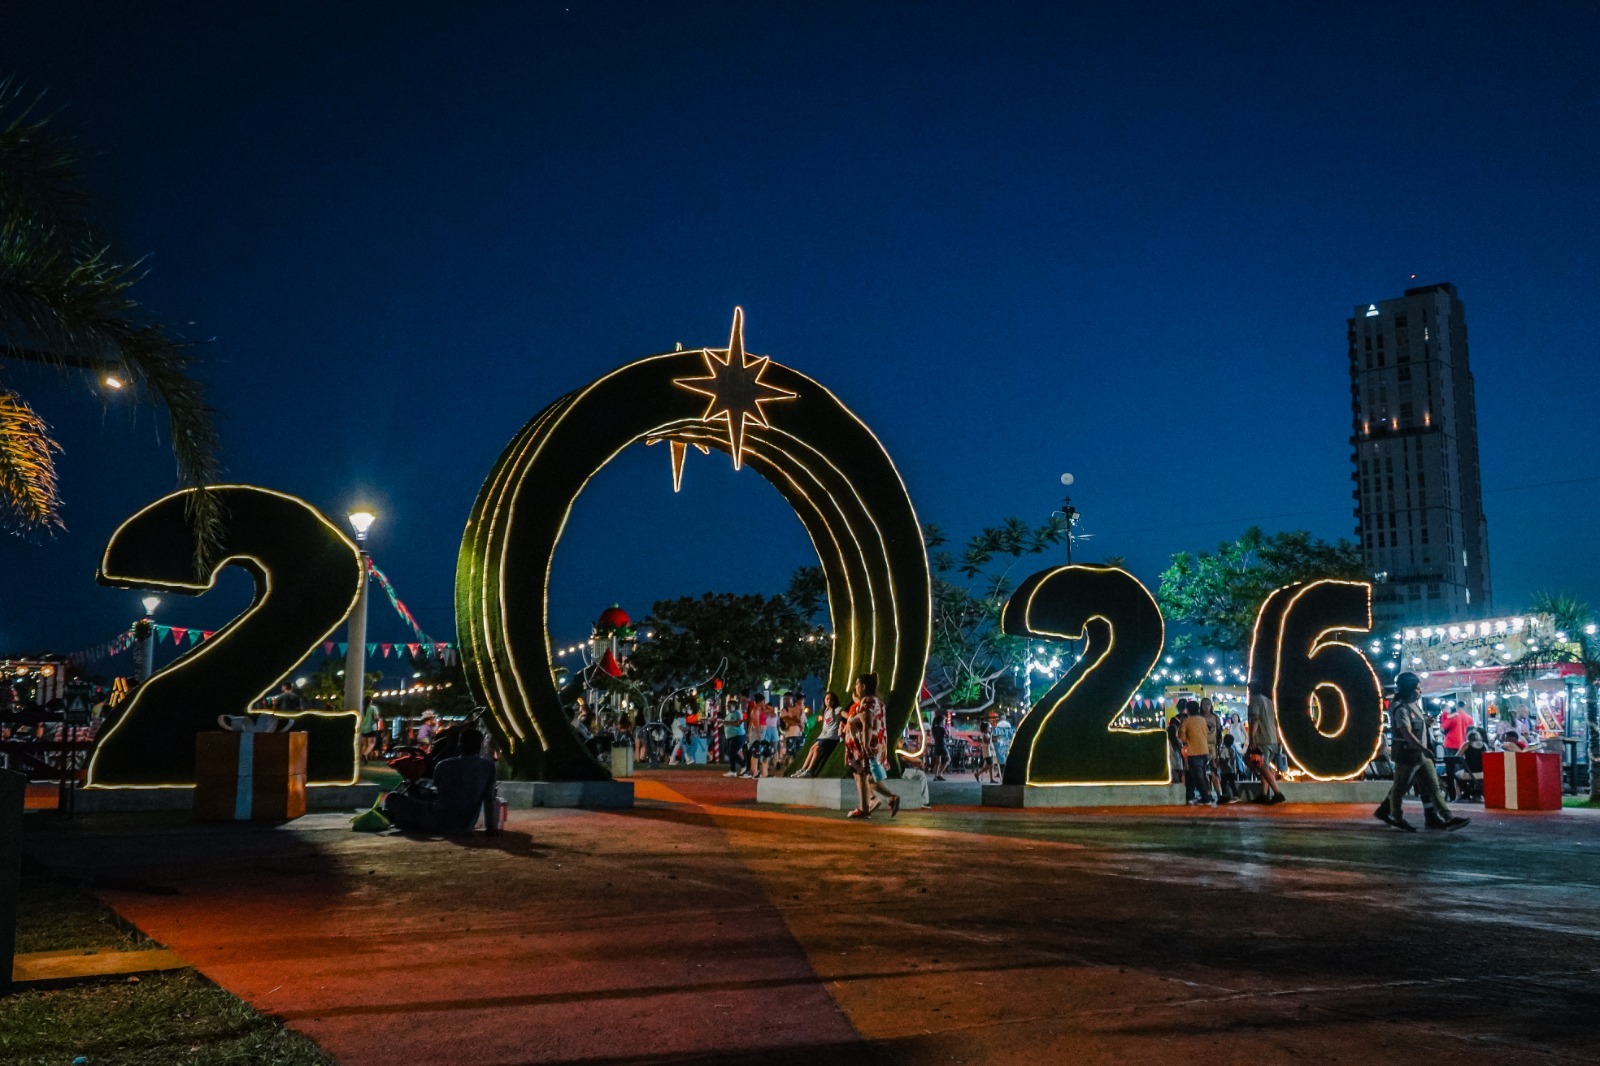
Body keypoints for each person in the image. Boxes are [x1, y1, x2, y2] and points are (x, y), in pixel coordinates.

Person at [1379, 672, 1468, 832]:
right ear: (1409, 689)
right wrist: (1424, 748)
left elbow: (1413, 727)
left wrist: (1425, 724)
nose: (1420, 691)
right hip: (1408, 755)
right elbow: (1405, 732)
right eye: (1418, 688)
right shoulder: (1400, 708)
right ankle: (1397, 817)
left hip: (1421, 755)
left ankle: (1448, 818)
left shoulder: (1414, 705)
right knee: (1400, 787)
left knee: (1433, 786)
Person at [382, 727, 497, 834]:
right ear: (480, 745)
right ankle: (406, 822)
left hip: (437, 819)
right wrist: (491, 828)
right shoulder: (489, 767)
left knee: (393, 797)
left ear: (459, 744)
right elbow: (488, 799)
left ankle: (404, 821)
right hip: (465, 825)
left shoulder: (443, 765)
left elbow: (436, 793)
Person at [844, 673, 898, 818]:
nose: (855, 687)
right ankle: (882, 800)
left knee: (861, 773)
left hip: (865, 744)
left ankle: (864, 808)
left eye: (857, 685)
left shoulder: (868, 701)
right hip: (877, 743)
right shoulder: (878, 701)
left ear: (863, 686)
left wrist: (865, 744)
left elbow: (867, 721)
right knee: (869, 777)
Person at [1247, 681, 1286, 804]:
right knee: (1265, 767)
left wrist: (1252, 738)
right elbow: (1275, 721)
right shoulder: (1268, 701)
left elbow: (1255, 719)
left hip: (1262, 739)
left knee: (1262, 766)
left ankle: (1278, 793)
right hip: (1272, 738)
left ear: (1251, 690)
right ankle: (1263, 795)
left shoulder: (1255, 700)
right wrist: (1278, 738)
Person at [790, 691, 843, 777]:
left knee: (817, 749)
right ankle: (803, 769)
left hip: (830, 737)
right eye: (827, 699)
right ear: (824, 700)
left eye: (831, 699)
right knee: (812, 749)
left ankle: (810, 770)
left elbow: (845, 715)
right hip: (823, 736)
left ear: (834, 701)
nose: (829, 701)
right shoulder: (826, 710)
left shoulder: (837, 710)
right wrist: (819, 718)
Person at [1179, 703, 1215, 805]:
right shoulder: (1202, 720)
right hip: (1204, 750)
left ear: (1188, 710)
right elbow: (1207, 732)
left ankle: (1206, 798)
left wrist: (1186, 740)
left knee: (1198, 776)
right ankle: (1189, 795)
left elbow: (1181, 735)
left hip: (1193, 751)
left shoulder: (1187, 721)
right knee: (1196, 775)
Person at [1438, 701, 1473, 798]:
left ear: (1457, 706)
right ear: (1465, 706)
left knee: (1451, 770)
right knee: (1462, 768)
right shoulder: (1469, 718)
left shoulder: (1453, 716)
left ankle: (1454, 793)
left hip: (1451, 744)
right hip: (1464, 745)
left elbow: (1442, 728)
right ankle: (1463, 790)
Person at [1455, 728, 1487, 801]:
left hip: (1469, 774)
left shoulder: (1466, 745)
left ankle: (1461, 793)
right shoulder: (1484, 745)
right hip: (1483, 773)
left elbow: (1456, 757)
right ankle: (1477, 793)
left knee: (1456, 775)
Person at [721, 696, 748, 777]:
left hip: (738, 736)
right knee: (728, 752)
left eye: (730, 706)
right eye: (727, 706)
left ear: (734, 706)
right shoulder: (729, 714)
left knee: (732, 752)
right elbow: (727, 722)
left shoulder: (737, 713)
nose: (728, 707)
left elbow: (737, 723)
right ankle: (733, 770)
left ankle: (743, 766)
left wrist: (726, 723)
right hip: (730, 736)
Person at [929, 709, 950, 780]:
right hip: (942, 745)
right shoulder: (942, 728)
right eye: (944, 720)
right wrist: (947, 731)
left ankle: (935, 776)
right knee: (948, 759)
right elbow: (947, 736)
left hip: (936, 745)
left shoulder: (934, 728)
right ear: (942, 721)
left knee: (938, 762)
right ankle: (940, 773)